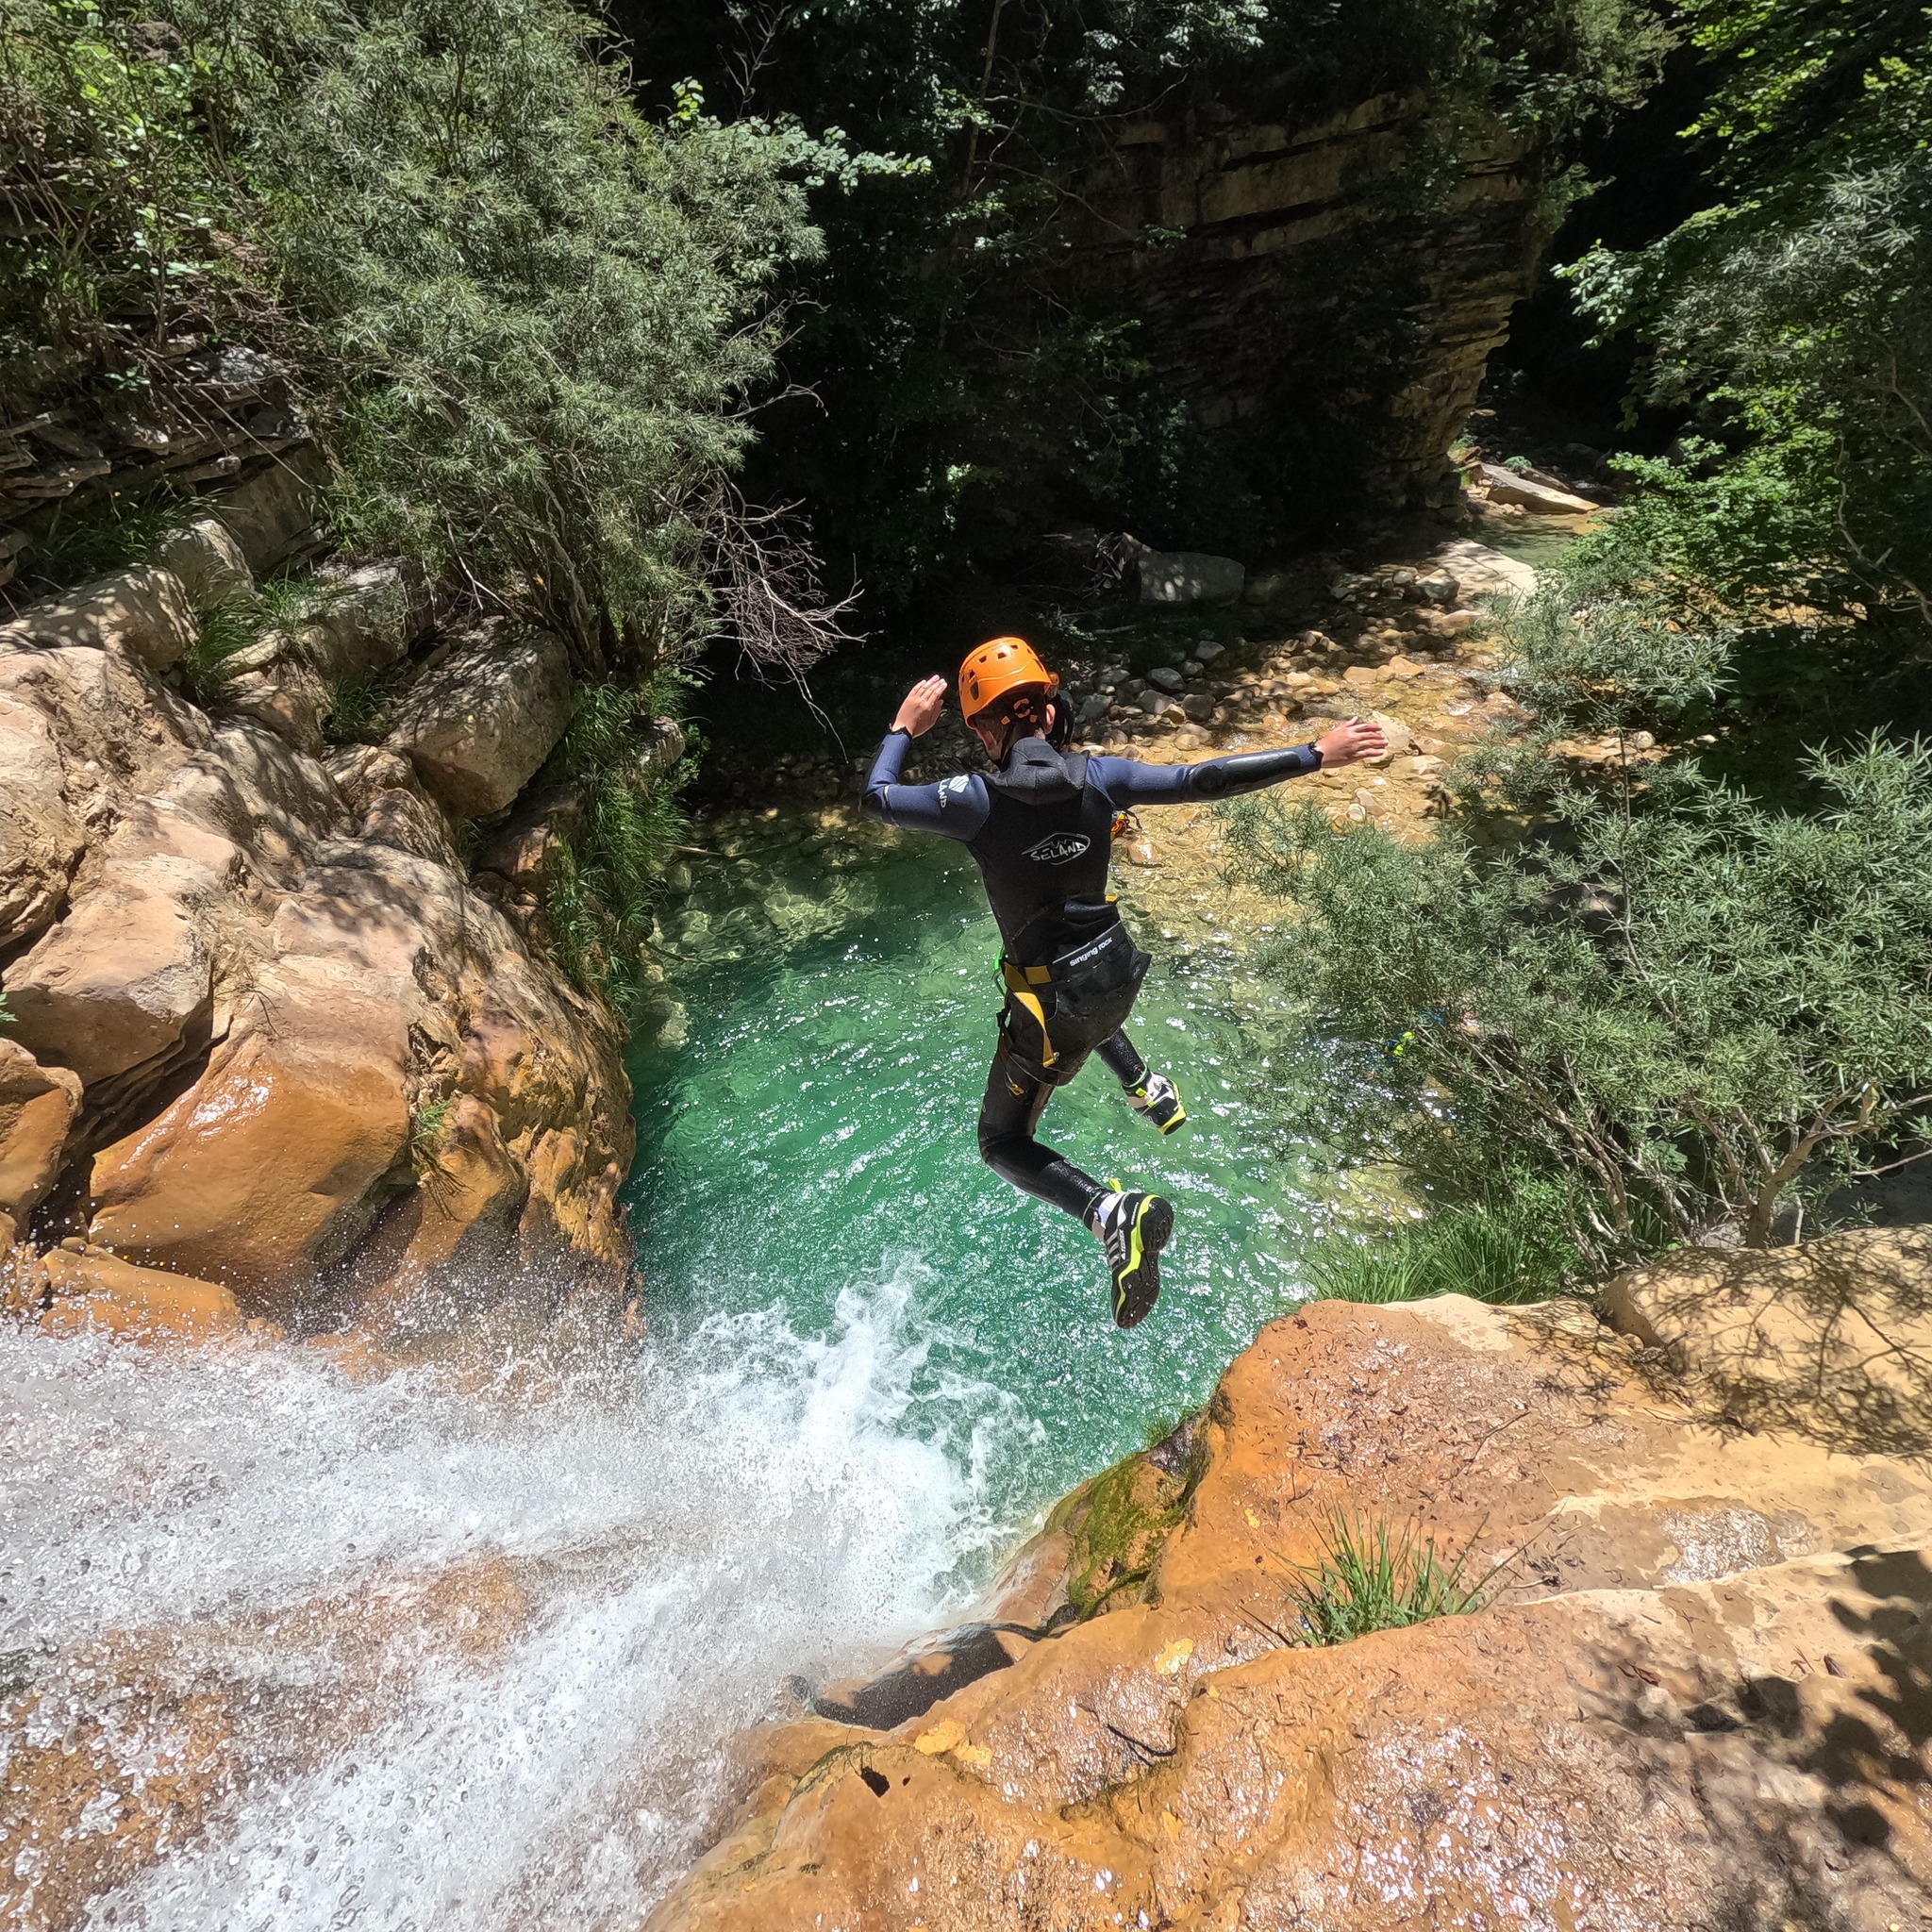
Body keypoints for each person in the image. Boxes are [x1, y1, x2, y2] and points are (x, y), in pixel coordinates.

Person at [862, 636, 1387, 1327]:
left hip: (1052, 1007)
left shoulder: (971, 801)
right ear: (1051, 712)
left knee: (1001, 1142)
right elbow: (1204, 779)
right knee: (1064, 1000)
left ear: (986, 727)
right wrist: (1315, 753)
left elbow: (877, 797)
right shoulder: (1101, 775)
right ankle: (1148, 1087)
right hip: (1113, 974)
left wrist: (903, 727)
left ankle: (1112, 1213)